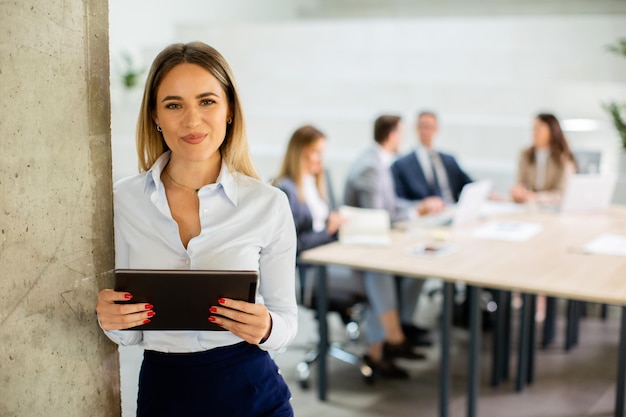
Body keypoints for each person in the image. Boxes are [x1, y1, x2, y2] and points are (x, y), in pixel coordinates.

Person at [96, 42, 297, 417]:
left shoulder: (268, 204)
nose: (192, 121)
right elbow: (131, 334)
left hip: (254, 393)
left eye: (207, 101)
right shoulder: (123, 201)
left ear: (230, 110)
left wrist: (267, 326)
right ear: (155, 115)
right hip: (165, 393)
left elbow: (287, 322)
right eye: (174, 105)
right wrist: (113, 321)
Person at [344, 115, 432, 379]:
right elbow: (378, 216)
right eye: (401, 134)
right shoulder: (370, 167)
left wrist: (417, 208)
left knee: (416, 267)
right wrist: (416, 213)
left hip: (372, 243)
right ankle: (386, 344)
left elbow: (392, 206)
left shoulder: (382, 163)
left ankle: (395, 337)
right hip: (356, 248)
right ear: (392, 135)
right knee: (379, 273)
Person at [272, 125, 345, 256]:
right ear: (300, 153)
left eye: (322, 153)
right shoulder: (285, 188)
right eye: (316, 152)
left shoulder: (321, 179)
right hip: (305, 263)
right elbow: (293, 243)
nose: (321, 159)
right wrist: (327, 231)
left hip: (326, 255)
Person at [391, 111, 472, 212]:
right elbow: (398, 201)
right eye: (422, 126)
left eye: (430, 126)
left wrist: (489, 193)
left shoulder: (449, 160)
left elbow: (469, 183)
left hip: (452, 210)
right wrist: (421, 205)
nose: (426, 131)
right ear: (416, 128)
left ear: (436, 129)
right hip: (426, 216)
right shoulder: (401, 164)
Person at [510, 113, 577, 205]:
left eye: (539, 128)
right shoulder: (525, 155)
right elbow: (521, 182)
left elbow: (563, 194)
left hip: (553, 210)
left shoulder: (564, 158)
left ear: (552, 131)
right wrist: (518, 192)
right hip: (529, 208)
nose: (534, 132)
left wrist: (535, 197)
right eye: (533, 128)